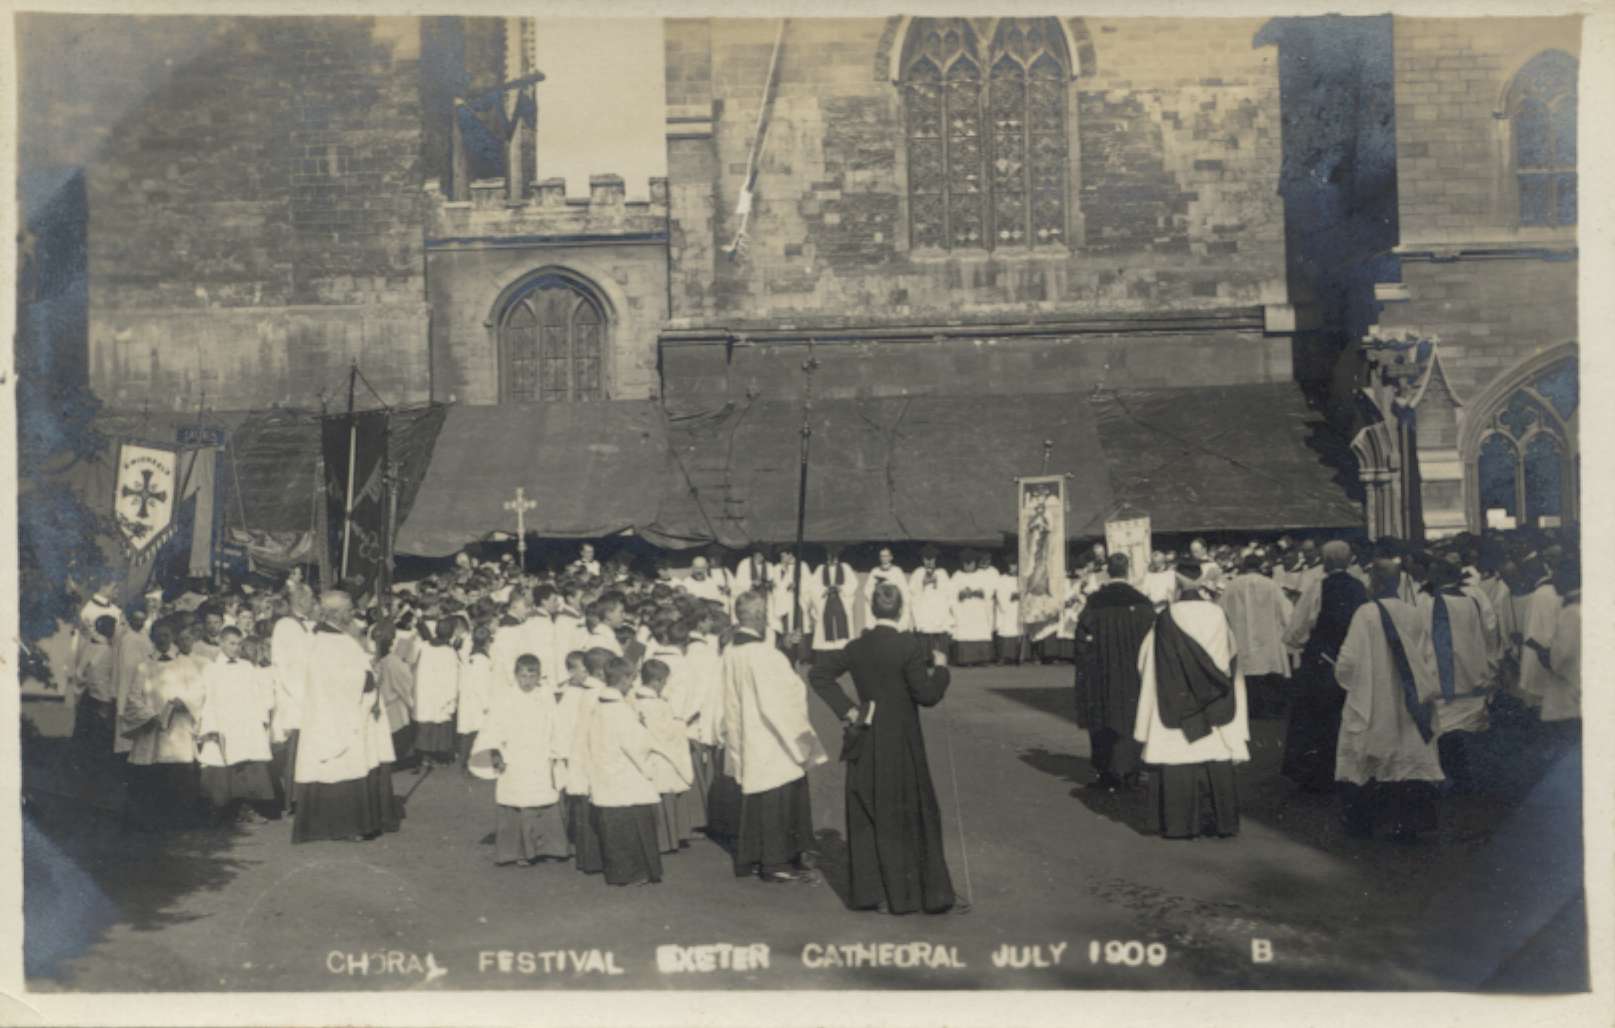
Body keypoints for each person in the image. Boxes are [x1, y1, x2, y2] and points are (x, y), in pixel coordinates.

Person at [808, 582, 961, 914]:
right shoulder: (908, 646)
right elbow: (927, 695)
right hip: (903, 741)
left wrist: (848, 710)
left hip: (866, 732)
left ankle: (869, 893)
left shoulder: (857, 646)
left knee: (867, 813)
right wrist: (942, 669)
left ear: (873, 610)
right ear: (901, 608)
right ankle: (913, 893)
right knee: (908, 811)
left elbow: (819, 674)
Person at [1133, 562, 1250, 839]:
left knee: (1176, 754)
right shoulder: (1218, 615)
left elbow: (1145, 660)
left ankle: (1178, 824)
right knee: (1215, 753)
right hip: (1214, 703)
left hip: (1174, 701)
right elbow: (1232, 655)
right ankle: (1221, 823)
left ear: (1177, 582)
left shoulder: (1166, 618)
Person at [1333, 559, 1445, 841]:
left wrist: (1345, 680)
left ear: (1377, 582)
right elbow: (1427, 657)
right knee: (1406, 755)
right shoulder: (1414, 612)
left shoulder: (1366, 613)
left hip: (1373, 697)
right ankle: (1407, 825)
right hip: (1410, 699)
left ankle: (1365, 824)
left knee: (1369, 756)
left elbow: (1349, 660)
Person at [721, 591, 829, 883]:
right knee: (777, 797)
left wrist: (785, 652)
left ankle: (755, 856)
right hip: (773, 737)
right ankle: (776, 861)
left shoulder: (732, 650)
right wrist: (802, 740)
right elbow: (781, 700)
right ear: (758, 617)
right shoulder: (765, 655)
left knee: (759, 795)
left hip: (748, 733)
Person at [291, 591, 402, 844]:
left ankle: (348, 824)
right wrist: (369, 676)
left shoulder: (336, 638)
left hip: (342, 712)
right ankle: (344, 826)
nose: (353, 613)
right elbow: (338, 680)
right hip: (336, 715)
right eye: (349, 609)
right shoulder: (328, 642)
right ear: (336, 613)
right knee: (341, 766)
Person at [1279, 540, 1368, 792]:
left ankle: (1314, 775)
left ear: (1326, 562)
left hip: (1320, 661)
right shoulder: (1360, 588)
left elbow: (1297, 628)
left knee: (1313, 718)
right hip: (1352, 660)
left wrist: (1297, 643)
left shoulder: (1317, 587)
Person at [1073, 553, 1157, 791]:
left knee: (1103, 716)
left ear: (1108, 571)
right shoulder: (1142, 602)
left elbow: (1081, 640)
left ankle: (1106, 772)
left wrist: (1086, 667)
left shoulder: (1095, 602)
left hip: (1102, 672)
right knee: (1132, 715)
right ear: (1128, 571)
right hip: (1134, 672)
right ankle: (1132, 769)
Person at [478, 654, 569, 866]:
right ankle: (517, 851)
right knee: (516, 800)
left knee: (543, 799)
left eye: (532, 676)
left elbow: (556, 724)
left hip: (540, 756)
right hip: (515, 758)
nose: (527, 681)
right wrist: (496, 753)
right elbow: (493, 727)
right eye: (522, 676)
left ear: (539, 676)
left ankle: (548, 848)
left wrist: (558, 751)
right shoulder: (505, 697)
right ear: (515, 676)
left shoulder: (545, 696)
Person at [1417, 559, 1496, 793]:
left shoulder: (1427, 603)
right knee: (1465, 729)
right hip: (1472, 674)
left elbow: (1419, 637)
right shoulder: (1475, 598)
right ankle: (1466, 778)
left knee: (1444, 729)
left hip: (1443, 678)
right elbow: (1489, 631)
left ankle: (1454, 778)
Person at [587, 657, 666, 886]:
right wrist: (649, 769)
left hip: (605, 772)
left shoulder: (599, 705)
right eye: (631, 678)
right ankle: (633, 872)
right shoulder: (619, 710)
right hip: (624, 774)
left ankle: (620, 872)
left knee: (614, 827)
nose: (633, 684)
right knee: (630, 825)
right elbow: (635, 746)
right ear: (623, 679)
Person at [195, 627, 276, 825]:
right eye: (231, 643)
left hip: (245, 724)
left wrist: (261, 719)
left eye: (239, 643)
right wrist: (210, 726)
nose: (236, 648)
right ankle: (221, 811)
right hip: (222, 725)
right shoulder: (211, 668)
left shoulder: (247, 667)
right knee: (221, 767)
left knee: (246, 766)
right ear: (221, 643)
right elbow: (207, 698)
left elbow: (258, 694)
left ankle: (245, 808)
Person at [1217, 553, 1294, 719]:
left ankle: (1249, 711)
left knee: (1244, 678)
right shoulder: (1271, 585)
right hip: (1268, 639)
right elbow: (1287, 613)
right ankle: (1268, 712)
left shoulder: (1232, 586)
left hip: (1241, 638)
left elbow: (1220, 612)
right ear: (1260, 567)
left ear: (1244, 567)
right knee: (1267, 674)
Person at [634, 658, 697, 853]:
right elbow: (664, 732)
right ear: (656, 682)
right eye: (664, 682)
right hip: (662, 756)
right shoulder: (656, 704)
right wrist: (681, 724)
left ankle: (663, 839)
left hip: (649, 756)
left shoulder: (635, 700)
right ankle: (669, 839)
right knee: (666, 793)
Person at [1537, 556, 1580, 735]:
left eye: (1557, 577)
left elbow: (1561, 658)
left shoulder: (1571, 612)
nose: (1553, 583)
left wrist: (1545, 655)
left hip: (1570, 698)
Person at [413, 617, 461, 768]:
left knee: (426, 722)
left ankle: (425, 755)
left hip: (424, 690)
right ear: (451, 634)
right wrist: (453, 698)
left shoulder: (423, 646)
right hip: (441, 693)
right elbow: (454, 677)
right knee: (439, 723)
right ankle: (439, 755)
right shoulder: (449, 652)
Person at [71, 614, 119, 764]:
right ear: (108, 629)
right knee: (97, 736)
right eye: (114, 627)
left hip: (90, 696)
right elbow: (96, 678)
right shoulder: (104, 649)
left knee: (87, 734)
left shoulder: (93, 646)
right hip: (99, 699)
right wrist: (105, 701)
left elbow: (80, 674)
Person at [372, 621, 417, 772]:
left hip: (382, 701)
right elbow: (405, 683)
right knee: (398, 736)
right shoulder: (393, 661)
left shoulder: (375, 659)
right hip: (394, 704)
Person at [456, 623, 495, 773]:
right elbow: (482, 685)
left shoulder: (470, 657)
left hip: (469, 701)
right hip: (478, 703)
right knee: (477, 734)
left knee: (469, 733)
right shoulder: (481, 661)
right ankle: (472, 764)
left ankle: (466, 762)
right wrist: (486, 705)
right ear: (487, 642)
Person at [811, 544, 859, 661]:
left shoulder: (845, 567)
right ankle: (827, 654)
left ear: (838, 557)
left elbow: (853, 583)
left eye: (834, 556)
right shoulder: (820, 569)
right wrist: (824, 590)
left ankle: (842, 654)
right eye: (829, 556)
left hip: (841, 601)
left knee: (842, 627)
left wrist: (840, 588)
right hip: (826, 601)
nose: (832, 559)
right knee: (825, 628)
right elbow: (813, 587)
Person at [950, 550, 996, 667]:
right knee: (965, 632)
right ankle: (965, 660)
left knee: (980, 630)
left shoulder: (981, 575)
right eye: (966, 563)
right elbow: (951, 594)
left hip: (979, 611)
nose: (968, 566)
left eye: (970, 563)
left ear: (975, 563)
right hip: (964, 611)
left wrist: (981, 592)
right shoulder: (957, 576)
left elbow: (989, 591)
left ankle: (981, 658)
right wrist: (961, 594)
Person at [908, 545, 954, 655]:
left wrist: (936, 582)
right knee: (924, 629)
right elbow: (911, 590)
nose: (929, 562)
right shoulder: (918, 572)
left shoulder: (942, 573)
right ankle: (925, 658)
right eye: (926, 559)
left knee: (939, 628)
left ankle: (939, 657)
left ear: (935, 559)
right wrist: (923, 583)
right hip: (924, 608)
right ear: (923, 560)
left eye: (931, 559)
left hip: (938, 608)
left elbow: (948, 591)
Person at [865, 546, 912, 633]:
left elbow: (904, 590)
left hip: (893, 607)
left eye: (886, 556)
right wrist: (876, 589)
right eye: (882, 556)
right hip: (879, 607)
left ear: (891, 557)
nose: (884, 558)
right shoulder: (875, 571)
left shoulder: (897, 571)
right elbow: (867, 590)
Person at [992, 555, 1025, 665]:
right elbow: (1000, 594)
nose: (1013, 567)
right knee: (1006, 630)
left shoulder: (1023, 579)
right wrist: (1010, 597)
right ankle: (1004, 656)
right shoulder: (1002, 579)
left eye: (1015, 565)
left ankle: (1018, 656)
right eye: (1011, 565)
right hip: (1007, 610)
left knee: (1018, 630)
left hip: (1018, 609)